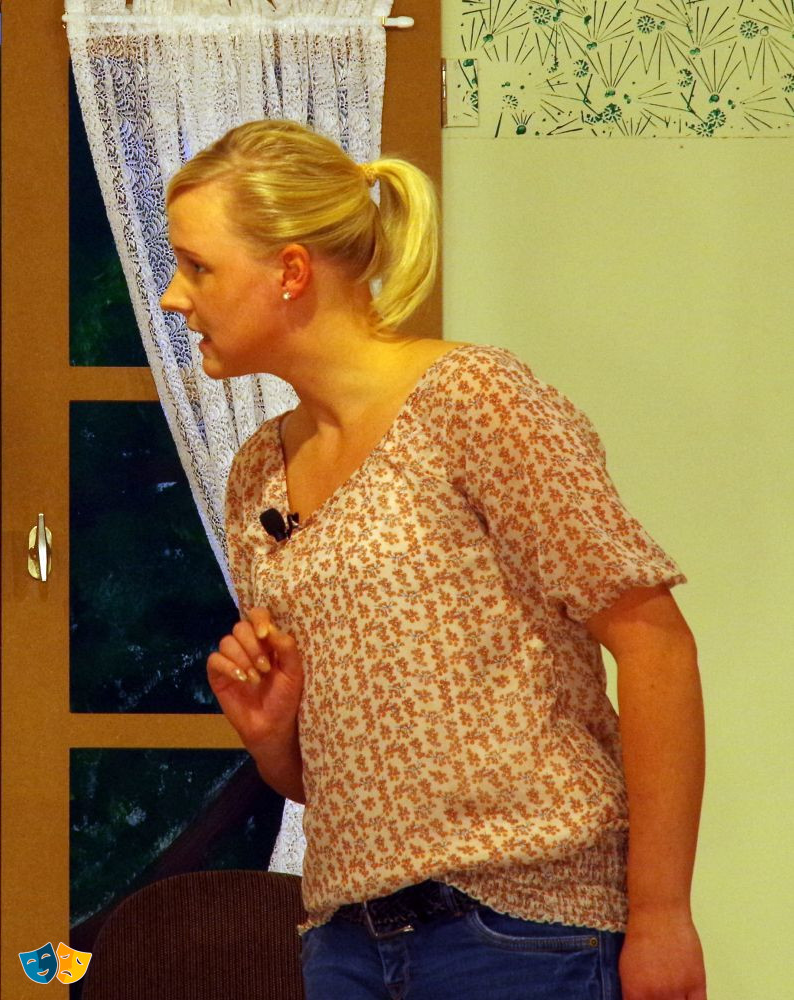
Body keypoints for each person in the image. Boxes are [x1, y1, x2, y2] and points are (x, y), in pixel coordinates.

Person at [159, 120, 706, 1000]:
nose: (172, 297)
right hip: (345, 945)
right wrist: (272, 741)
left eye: (197, 266)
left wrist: (662, 915)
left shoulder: (473, 399)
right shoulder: (257, 471)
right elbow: (339, 776)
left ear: (290, 271)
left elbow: (657, 646)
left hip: (529, 935)